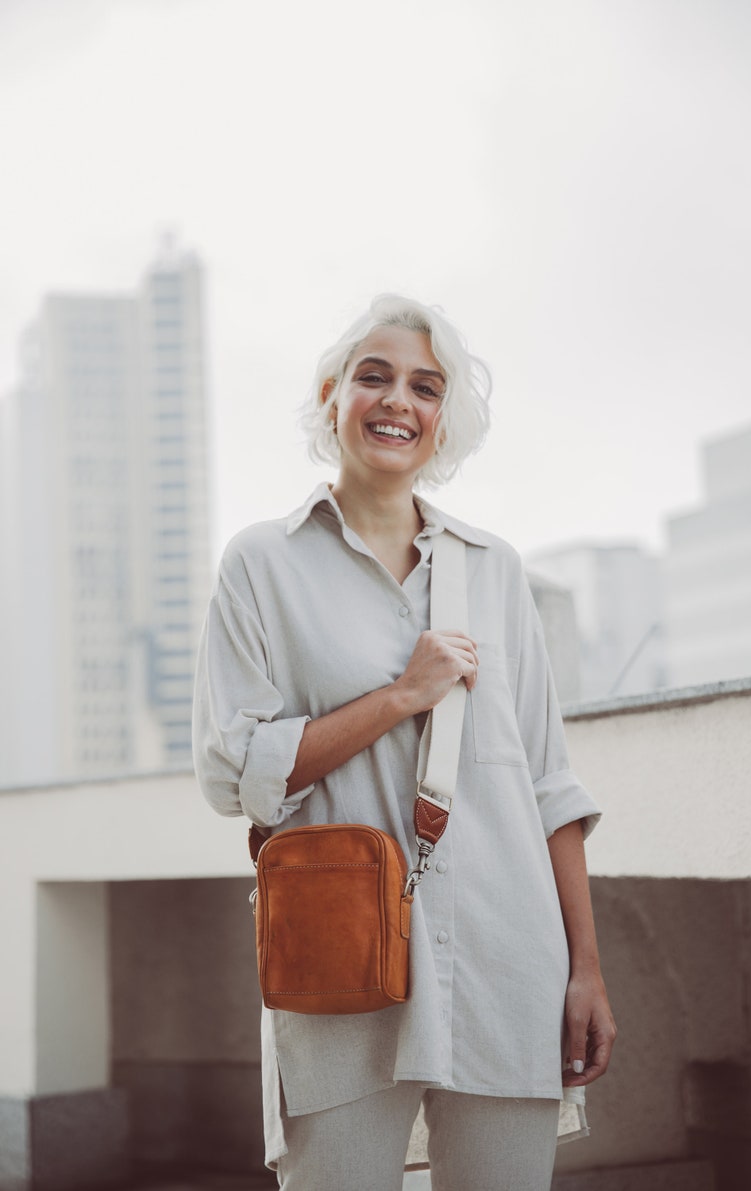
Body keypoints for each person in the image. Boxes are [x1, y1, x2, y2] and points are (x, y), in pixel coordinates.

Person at [192, 295, 616, 1191]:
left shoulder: (494, 571)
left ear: (443, 419)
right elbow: (236, 771)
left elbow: (547, 783)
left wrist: (587, 968)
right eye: (374, 376)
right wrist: (401, 696)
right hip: (336, 962)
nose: (399, 401)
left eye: (426, 387)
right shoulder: (261, 565)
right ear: (331, 394)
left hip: (505, 954)